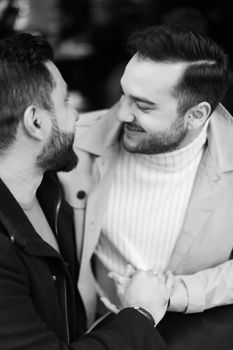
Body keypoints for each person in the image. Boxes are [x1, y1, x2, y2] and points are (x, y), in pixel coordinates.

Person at [0, 32, 174, 350]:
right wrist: (140, 313)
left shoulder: (51, 189)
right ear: (35, 123)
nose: (76, 114)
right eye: (66, 101)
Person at [59, 23, 233, 324]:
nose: (122, 113)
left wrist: (171, 293)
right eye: (124, 94)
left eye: (143, 105)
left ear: (196, 115)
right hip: (94, 328)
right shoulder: (75, 140)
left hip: (189, 335)